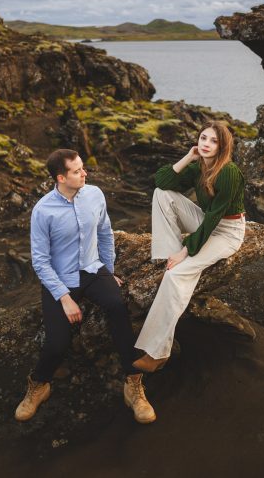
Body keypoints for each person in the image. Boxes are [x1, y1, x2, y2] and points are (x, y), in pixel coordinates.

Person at [15, 149, 156, 424]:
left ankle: (134, 385)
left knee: (118, 307)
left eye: (83, 168)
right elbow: (41, 261)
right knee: (57, 343)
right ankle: (39, 385)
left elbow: (105, 233)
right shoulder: (43, 211)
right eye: (77, 171)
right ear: (60, 177)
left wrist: (110, 272)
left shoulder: (94, 195)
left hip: (93, 269)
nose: (85, 173)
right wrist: (65, 298)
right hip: (60, 277)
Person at [133, 120, 246, 372]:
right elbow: (161, 182)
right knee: (162, 195)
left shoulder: (229, 172)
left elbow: (215, 216)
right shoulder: (199, 166)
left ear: (223, 146)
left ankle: (158, 353)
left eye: (214, 141)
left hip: (227, 231)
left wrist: (186, 250)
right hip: (207, 222)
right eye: (203, 138)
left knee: (175, 276)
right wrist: (187, 156)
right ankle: (167, 253)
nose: (206, 144)